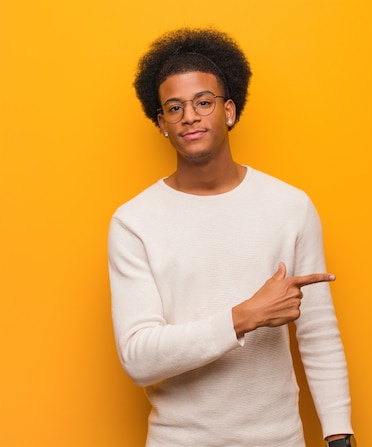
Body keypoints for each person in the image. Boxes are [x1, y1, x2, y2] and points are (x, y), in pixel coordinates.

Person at [107, 28, 356, 447]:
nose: (189, 115)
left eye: (203, 102)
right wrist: (245, 316)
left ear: (229, 111)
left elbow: (318, 331)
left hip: (278, 439)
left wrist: (338, 431)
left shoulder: (290, 206)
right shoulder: (134, 222)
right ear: (161, 124)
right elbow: (139, 358)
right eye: (174, 107)